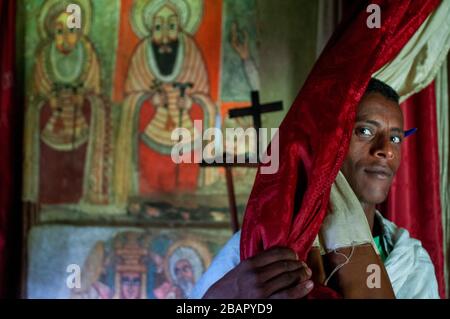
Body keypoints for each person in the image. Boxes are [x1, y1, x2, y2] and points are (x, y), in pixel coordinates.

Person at [189, 79, 439, 299]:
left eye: (395, 138)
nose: (386, 149)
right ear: (329, 141)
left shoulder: (411, 261)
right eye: (364, 131)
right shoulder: (268, 242)